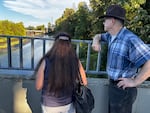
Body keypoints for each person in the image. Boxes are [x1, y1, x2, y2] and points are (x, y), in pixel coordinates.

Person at [92, 4, 150, 113]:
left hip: (124, 90)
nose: (103, 22)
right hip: (114, 86)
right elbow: (98, 36)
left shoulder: (130, 39)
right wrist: (96, 41)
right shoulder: (111, 35)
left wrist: (135, 81)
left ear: (112, 21)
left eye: (105, 19)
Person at [35, 32, 87, 113]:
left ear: (55, 44)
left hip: (49, 104)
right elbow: (84, 81)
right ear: (70, 45)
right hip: (68, 103)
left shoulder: (46, 61)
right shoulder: (75, 61)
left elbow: (38, 86)